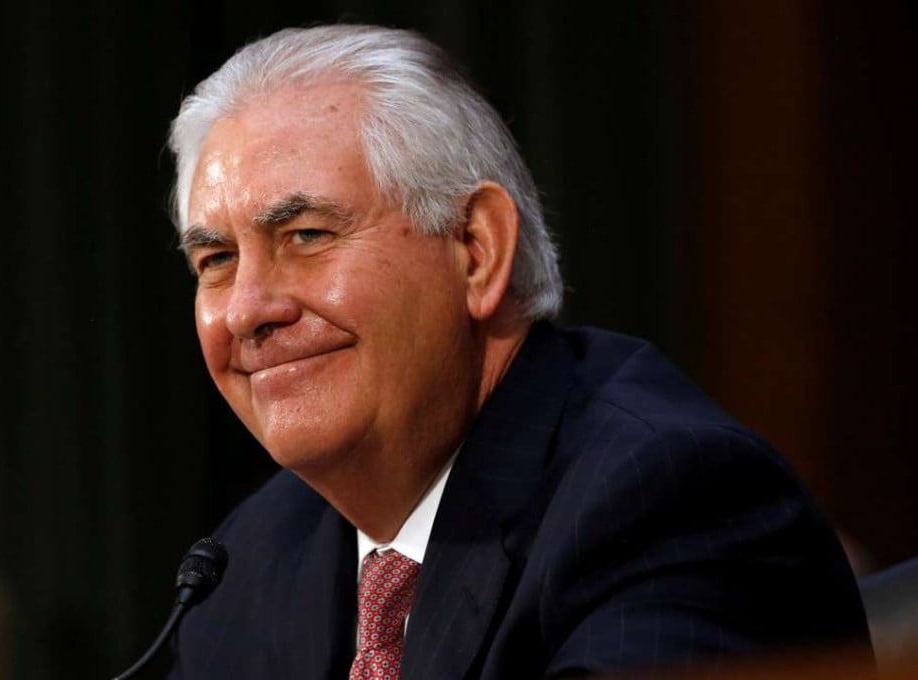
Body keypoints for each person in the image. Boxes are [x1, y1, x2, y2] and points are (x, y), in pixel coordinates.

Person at [165, 24, 869, 679]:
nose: (250, 309)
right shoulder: (247, 564)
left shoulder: (665, 500)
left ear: (476, 250)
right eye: (217, 259)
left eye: (308, 236)